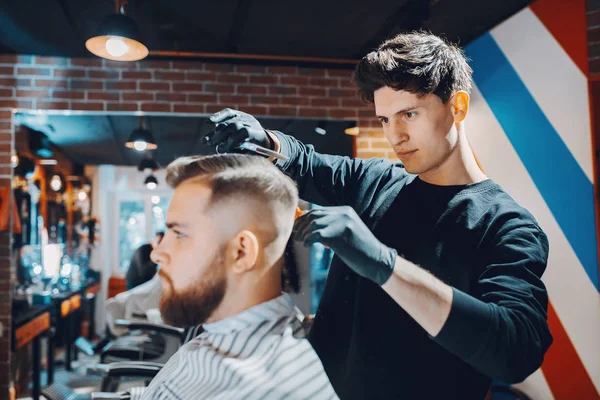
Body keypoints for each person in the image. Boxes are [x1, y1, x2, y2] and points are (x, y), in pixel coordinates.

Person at [204, 32, 553, 399]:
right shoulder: (376, 182)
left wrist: (385, 265)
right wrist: (266, 141)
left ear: (458, 107)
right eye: (385, 119)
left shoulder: (505, 225)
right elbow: (307, 164)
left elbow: (517, 350)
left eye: (409, 114)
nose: (395, 136)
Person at [127, 154, 338, 400]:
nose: (157, 254)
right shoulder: (223, 333)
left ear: (241, 252)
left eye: (180, 234)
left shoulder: (253, 389)